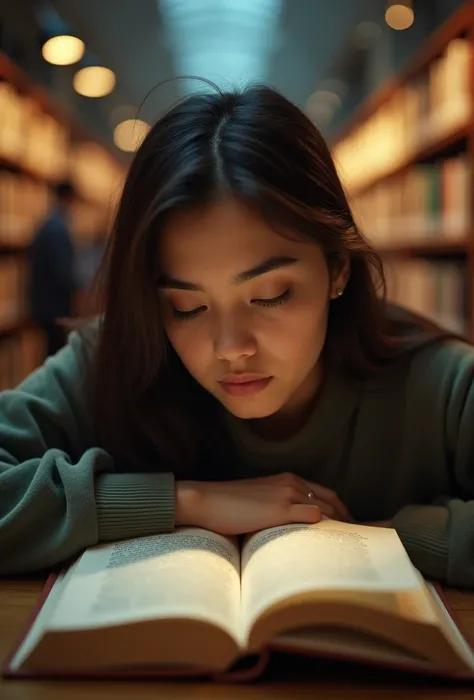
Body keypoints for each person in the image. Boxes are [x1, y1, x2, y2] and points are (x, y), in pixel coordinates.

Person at [1, 85, 474, 588]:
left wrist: (388, 537)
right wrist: (183, 501)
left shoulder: (442, 387)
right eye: (187, 306)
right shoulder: (113, 360)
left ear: (338, 268)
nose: (231, 347)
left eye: (270, 295)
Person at [29, 180, 77, 357]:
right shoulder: (58, 229)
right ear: (69, 199)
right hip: (54, 307)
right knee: (55, 353)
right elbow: (62, 274)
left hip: (43, 304)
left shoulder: (47, 223)